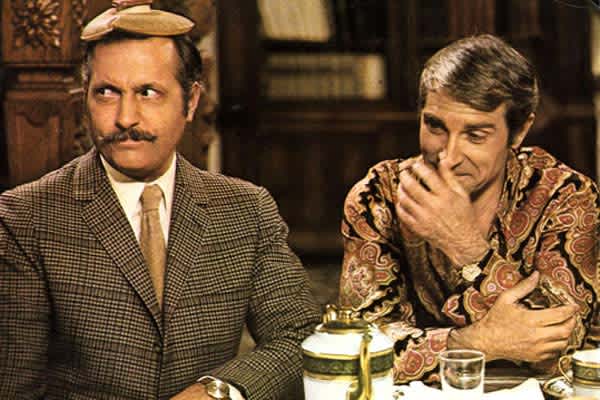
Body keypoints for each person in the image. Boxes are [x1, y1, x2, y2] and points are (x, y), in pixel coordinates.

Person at [0, 1, 321, 399]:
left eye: (148, 92)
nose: (126, 118)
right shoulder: (27, 216)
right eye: (106, 93)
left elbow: (299, 336)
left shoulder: (245, 209)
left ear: (191, 101)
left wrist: (218, 392)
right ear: (84, 99)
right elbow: (15, 389)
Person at [338, 34, 600, 384]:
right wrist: (475, 343)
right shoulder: (378, 196)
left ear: (519, 132)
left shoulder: (566, 196)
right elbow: (356, 350)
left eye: (475, 135)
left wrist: (466, 247)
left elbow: (564, 350)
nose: (449, 155)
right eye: (435, 126)